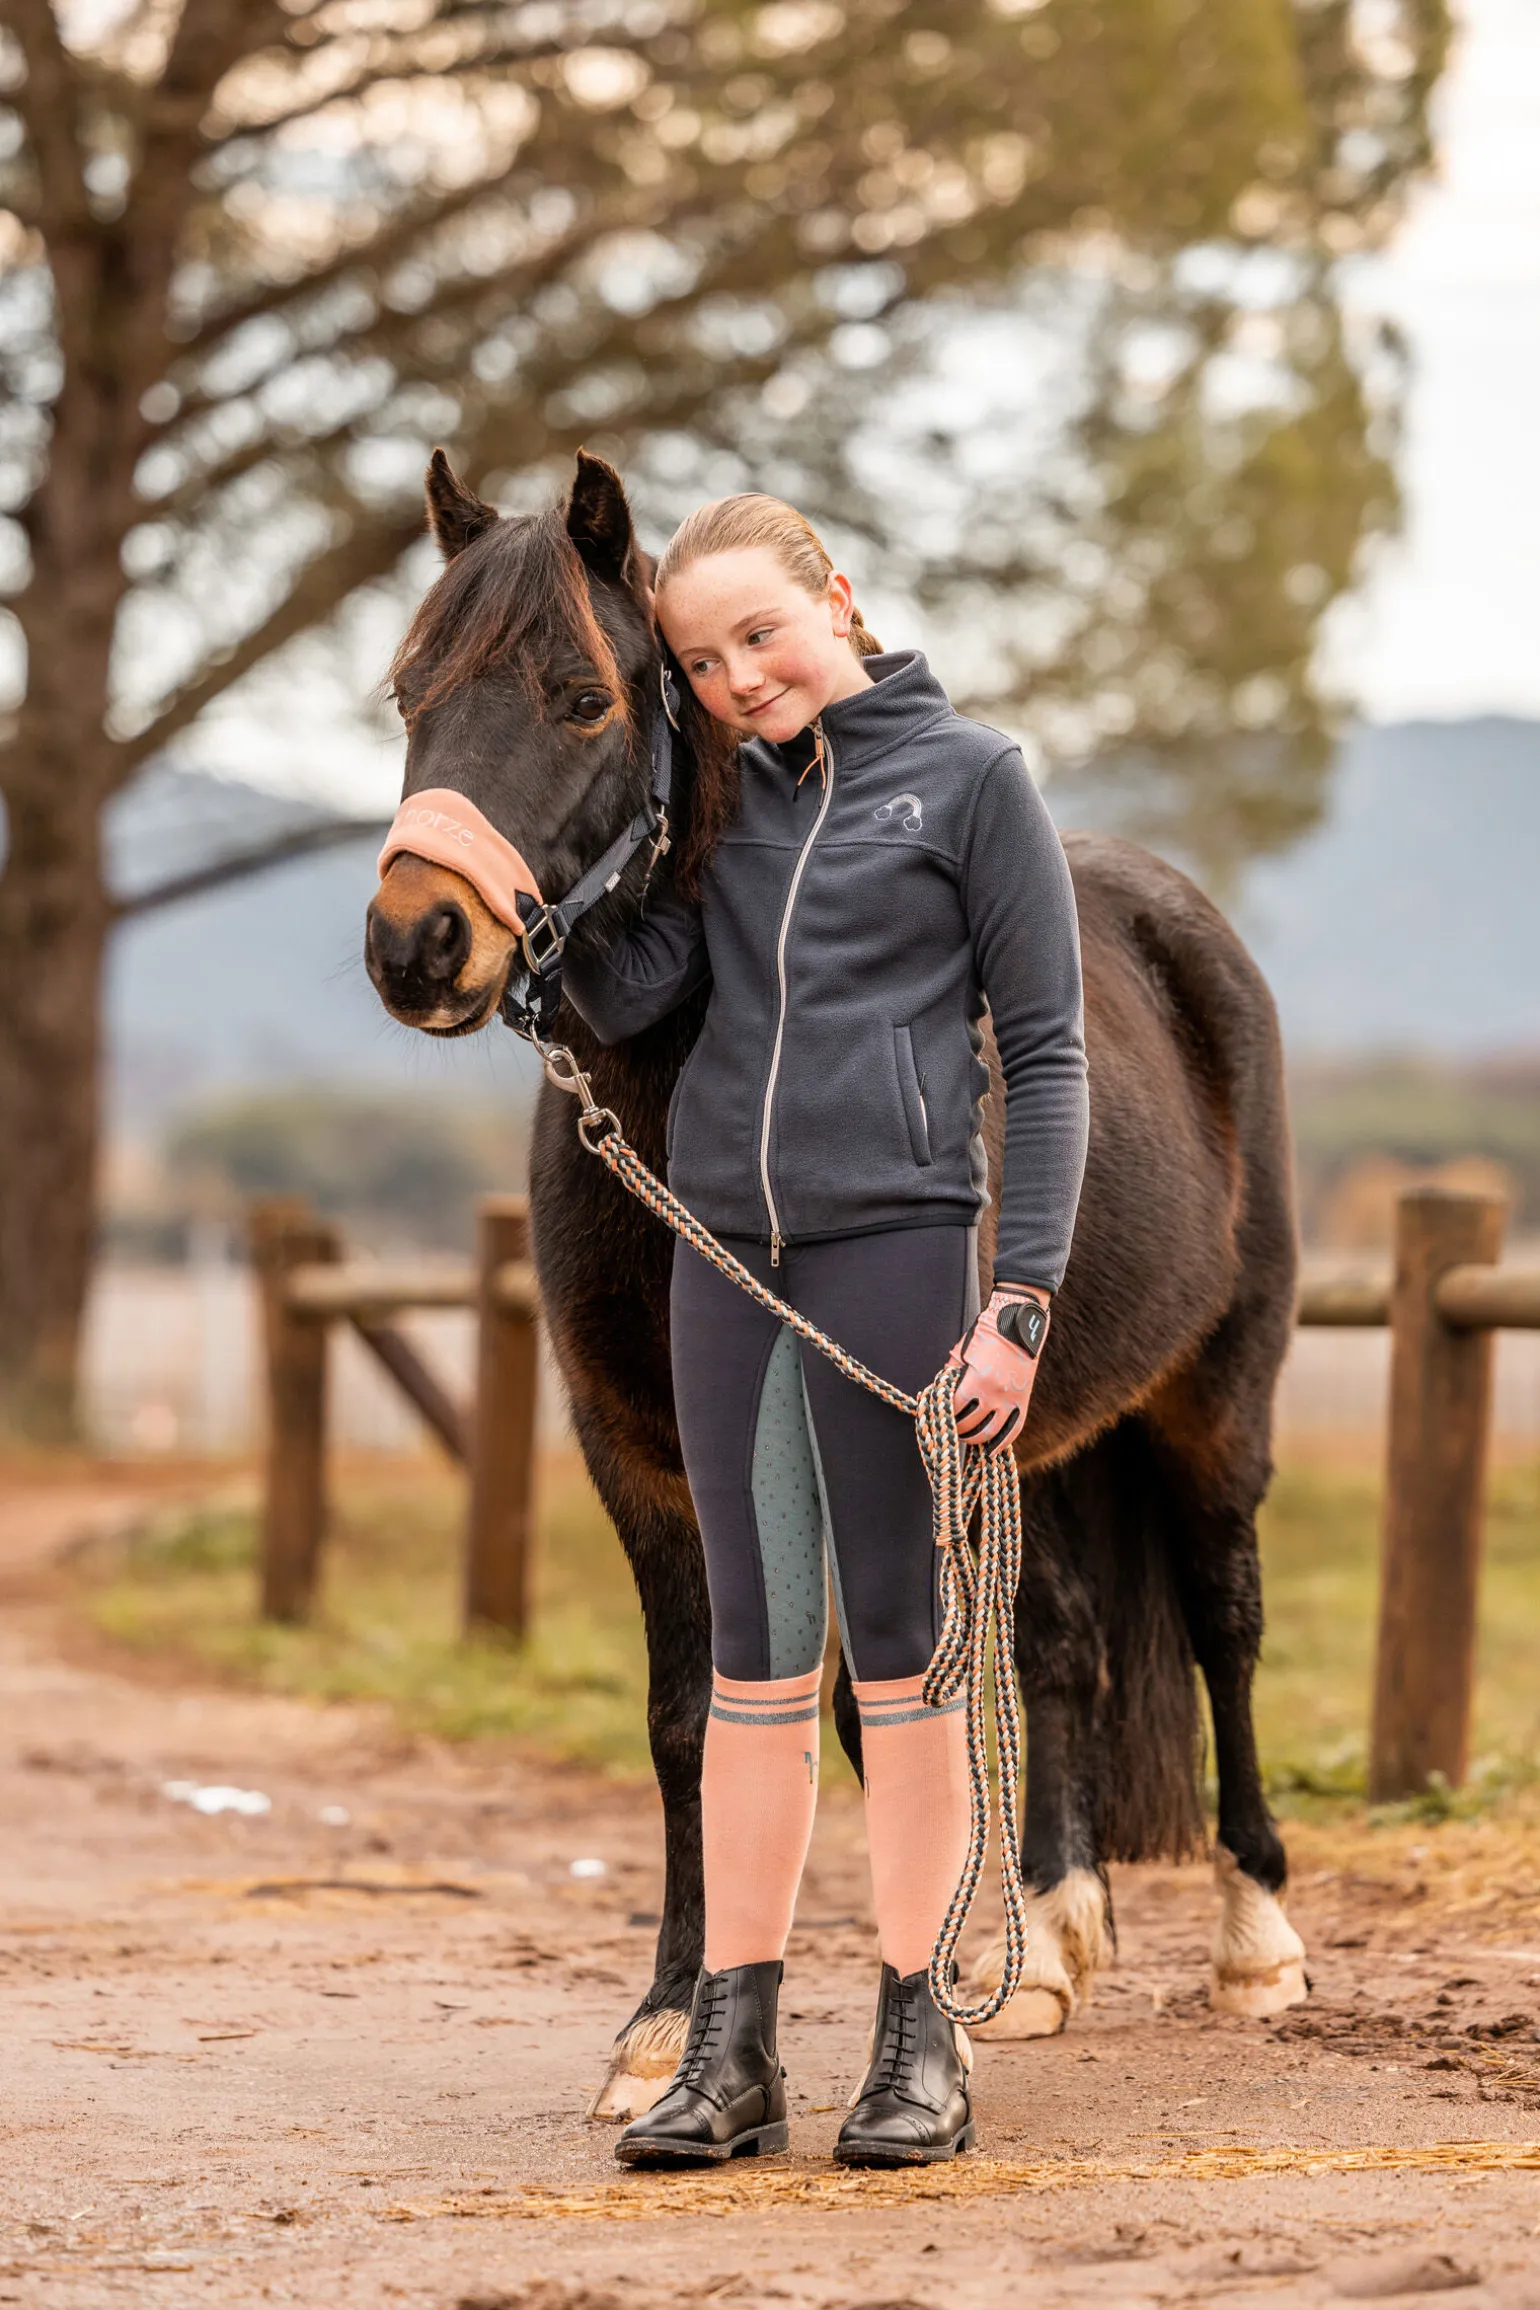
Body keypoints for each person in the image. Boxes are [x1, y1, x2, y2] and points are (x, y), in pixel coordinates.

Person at [562, 493, 1089, 2169]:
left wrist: (1021, 1302)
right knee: (750, 1659)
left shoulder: (977, 779)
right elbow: (650, 996)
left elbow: (1051, 1053)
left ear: (838, 598)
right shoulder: (717, 801)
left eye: (757, 638)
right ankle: (734, 2047)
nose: (734, 679)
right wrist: (551, 932)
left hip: (900, 1251)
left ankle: (920, 2037)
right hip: (726, 1259)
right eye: (701, 662)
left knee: (904, 1653)